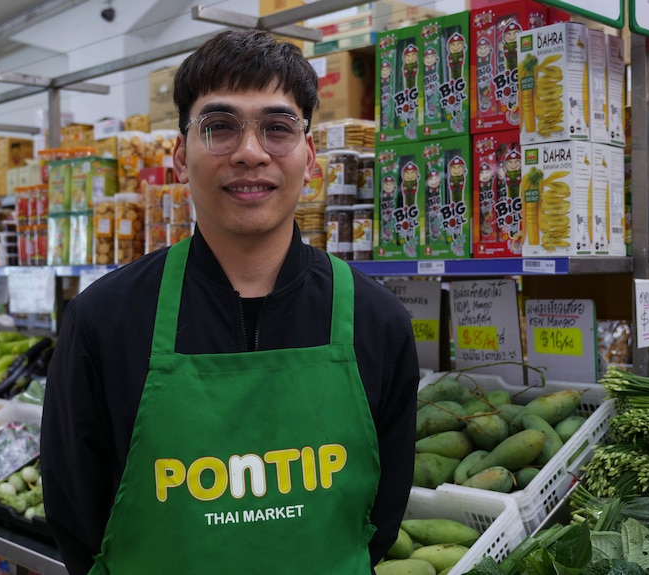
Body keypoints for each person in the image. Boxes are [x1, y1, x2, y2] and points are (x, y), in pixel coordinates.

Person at [41, 28, 419, 575]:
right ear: (179, 155)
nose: (250, 153)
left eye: (277, 128)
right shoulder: (104, 320)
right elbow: (77, 517)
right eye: (219, 128)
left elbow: (380, 519)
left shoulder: (376, 320)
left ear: (310, 157)